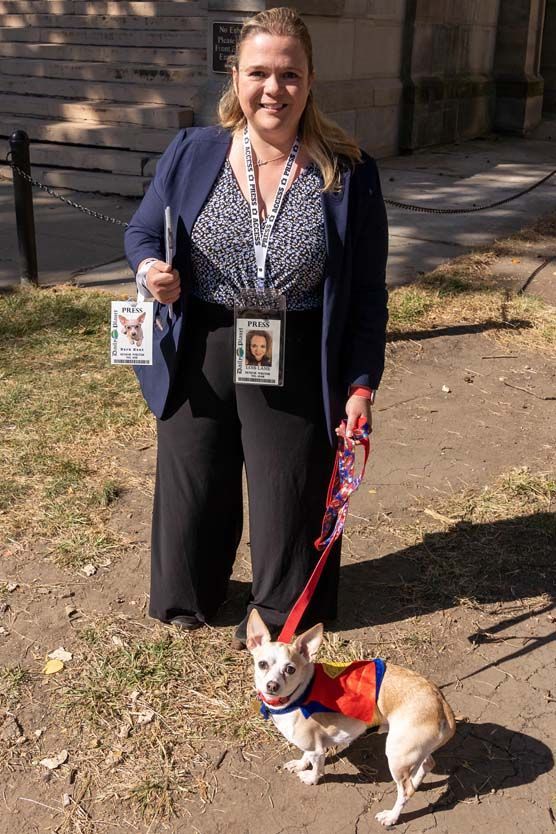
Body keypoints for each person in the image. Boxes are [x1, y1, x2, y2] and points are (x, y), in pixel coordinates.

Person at [124, 7, 388, 649]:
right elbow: (140, 231)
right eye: (260, 73)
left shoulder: (348, 171)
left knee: (287, 489)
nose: (274, 89)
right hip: (203, 339)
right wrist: (150, 269)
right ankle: (192, 594)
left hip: (294, 347)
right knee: (194, 482)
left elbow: (366, 296)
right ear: (235, 77)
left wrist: (358, 385)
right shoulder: (192, 152)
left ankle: (277, 608)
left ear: (310, 80)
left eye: (290, 74)